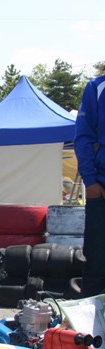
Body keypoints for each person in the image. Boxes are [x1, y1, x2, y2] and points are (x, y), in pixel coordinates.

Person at [74, 74, 105, 298]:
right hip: (101, 190)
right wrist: (90, 180)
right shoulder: (97, 87)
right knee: (96, 262)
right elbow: (83, 136)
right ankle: (89, 319)